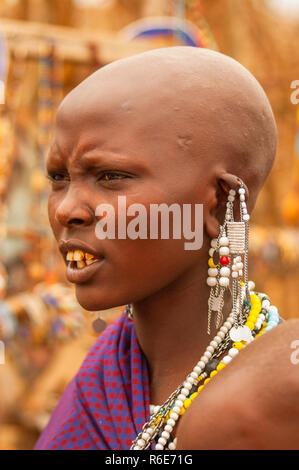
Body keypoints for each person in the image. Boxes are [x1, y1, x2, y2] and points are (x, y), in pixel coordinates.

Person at [35, 46, 299, 450]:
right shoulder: (99, 387)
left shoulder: (272, 403)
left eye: (109, 176)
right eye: (58, 177)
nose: (67, 208)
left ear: (220, 204)